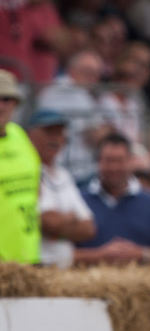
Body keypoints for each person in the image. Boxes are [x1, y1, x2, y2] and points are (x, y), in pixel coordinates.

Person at [79, 133, 150, 265]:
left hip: (141, 284)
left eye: (119, 161)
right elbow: (60, 253)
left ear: (130, 161)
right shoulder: (79, 201)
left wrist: (141, 254)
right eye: (108, 160)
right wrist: (100, 256)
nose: (114, 168)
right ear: (98, 162)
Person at [27, 108, 96, 268]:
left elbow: (89, 228)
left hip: (62, 269)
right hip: (37, 266)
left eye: (59, 133)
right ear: (31, 135)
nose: (55, 139)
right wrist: (71, 219)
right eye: (49, 132)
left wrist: (56, 229)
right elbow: (48, 222)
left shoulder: (64, 175)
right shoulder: (27, 171)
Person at [36, 49, 109, 184]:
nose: (93, 78)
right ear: (72, 70)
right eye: (88, 72)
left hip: (82, 169)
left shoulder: (82, 93)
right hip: (64, 169)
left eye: (97, 74)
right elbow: (94, 135)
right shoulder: (61, 91)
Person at [0, 69, 41, 263]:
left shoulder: (19, 135)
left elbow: (36, 188)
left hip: (28, 257)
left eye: (7, 98)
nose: (1, 105)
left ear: (15, 103)